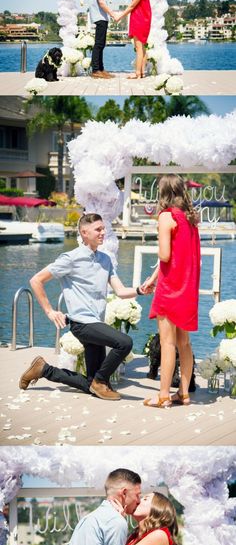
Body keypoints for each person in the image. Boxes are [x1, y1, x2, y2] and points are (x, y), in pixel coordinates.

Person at [19, 213, 150, 401]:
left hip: (95, 323)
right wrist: (49, 310)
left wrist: (140, 290)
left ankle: (44, 369)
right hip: (82, 323)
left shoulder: (106, 259)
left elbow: (120, 291)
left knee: (91, 386)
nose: (103, 232)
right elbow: (36, 280)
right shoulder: (71, 258)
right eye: (98, 229)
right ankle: (100, 381)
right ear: (84, 232)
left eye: (103, 228)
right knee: (124, 342)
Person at [142, 175, 200, 408]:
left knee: (167, 343)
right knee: (184, 343)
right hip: (188, 287)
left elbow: (165, 255)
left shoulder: (166, 217)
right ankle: (183, 394)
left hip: (171, 288)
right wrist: (153, 278)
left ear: (162, 193)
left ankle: (163, 395)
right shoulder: (191, 218)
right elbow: (181, 255)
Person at [117, 0, 152, 79]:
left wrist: (119, 16)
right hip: (142, 20)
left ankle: (137, 73)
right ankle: (141, 73)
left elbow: (132, 6)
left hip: (139, 21)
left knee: (139, 48)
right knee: (142, 48)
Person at [90, 0, 117, 79]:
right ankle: (95, 70)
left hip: (102, 17)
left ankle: (101, 69)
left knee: (101, 44)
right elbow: (101, 2)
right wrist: (112, 14)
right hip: (100, 16)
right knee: (99, 44)